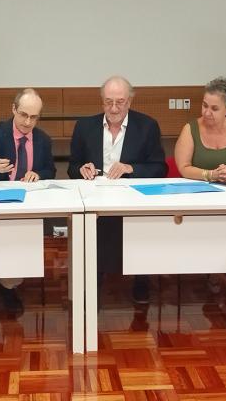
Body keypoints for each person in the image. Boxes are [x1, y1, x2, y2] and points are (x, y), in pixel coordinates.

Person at [68, 76, 167, 304]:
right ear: (101, 101)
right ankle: (94, 275)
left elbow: (159, 167)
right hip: (96, 196)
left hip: (132, 197)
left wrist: (130, 168)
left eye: (120, 102)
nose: (114, 108)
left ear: (130, 101)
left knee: (140, 228)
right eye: (108, 102)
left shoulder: (147, 126)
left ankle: (141, 278)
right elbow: (73, 166)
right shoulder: (85, 126)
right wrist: (82, 169)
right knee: (94, 227)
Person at [0, 88, 55, 314]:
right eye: (23, 114)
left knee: (20, 239)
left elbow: (49, 169)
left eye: (34, 117)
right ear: (13, 109)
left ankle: (9, 285)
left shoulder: (43, 139)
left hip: (26, 203)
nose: (27, 122)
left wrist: (39, 174)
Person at [174, 76, 226, 293]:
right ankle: (214, 268)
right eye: (204, 105)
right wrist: (211, 174)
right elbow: (183, 167)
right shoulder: (190, 129)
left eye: (214, 108)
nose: (206, 112)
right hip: (199, 199)